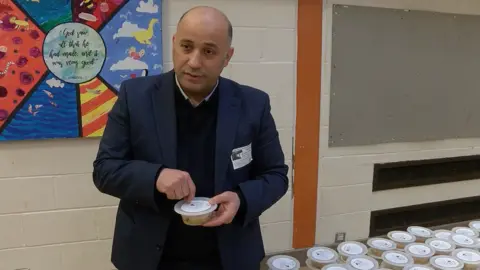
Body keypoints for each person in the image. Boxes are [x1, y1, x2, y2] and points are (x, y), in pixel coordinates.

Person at [92, 5, 289, 270]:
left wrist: (242, 199)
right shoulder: (135, 97)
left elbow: (276, 175)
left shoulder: (253, 104)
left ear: (227, 57)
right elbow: (105, 169)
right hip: (149, 257)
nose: (194, 62)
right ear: (174, 44)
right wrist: (155, 176)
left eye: (208, 51)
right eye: (186, 47)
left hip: (229, 256)